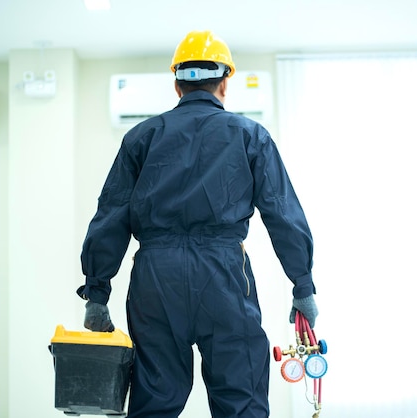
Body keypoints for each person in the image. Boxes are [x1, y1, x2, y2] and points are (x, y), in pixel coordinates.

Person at [76, 30, 318, 418]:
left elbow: (111, 215)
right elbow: (282, 213)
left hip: (155, 281)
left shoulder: (141, 137)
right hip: (223, 277)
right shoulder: (250, 135)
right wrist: (302, 286)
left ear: (177, 85)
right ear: (225, 83)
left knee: (155, 400)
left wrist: (97, 292)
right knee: (241, 399)